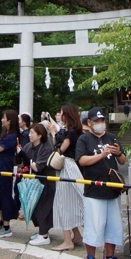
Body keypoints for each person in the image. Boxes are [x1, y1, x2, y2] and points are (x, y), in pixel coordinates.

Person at [75, 107, 127, 259]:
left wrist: (118, 153)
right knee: (93, 224)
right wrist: (102, 155)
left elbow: (123, 160)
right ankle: (90, 258)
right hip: (93, 190)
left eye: (101, 120)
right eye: (96, 121)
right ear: (89, 122)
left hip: (112, 189)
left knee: (113, 224)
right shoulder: (84, 139)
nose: (99, 123)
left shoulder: (111, 138)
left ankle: (110, 256)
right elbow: (82, 160)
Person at [51, 103, 84, 251]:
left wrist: (53, 134)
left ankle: (67, 240)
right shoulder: (78, 131)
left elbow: (60, 149)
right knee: (71, 201)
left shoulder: (70, 133)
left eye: (62, 113)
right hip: (74, 167)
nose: (60, 115)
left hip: (67, 167)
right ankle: (76, 234)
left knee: (63, 202)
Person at [20, 122, 56, 246]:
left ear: (40, 135)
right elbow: (22, 161)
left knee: (43, 208)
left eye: (32, 133)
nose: (29, 135)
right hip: (33, 182)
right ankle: (41, 231)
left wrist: (28, 162)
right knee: (34, 207)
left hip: (45, 182)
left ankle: (44, 235)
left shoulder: (46, 147)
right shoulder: (29, 146)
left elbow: (37, 167)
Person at [0, 109, 21, 238]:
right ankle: (2, 223)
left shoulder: (11, 137)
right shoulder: (5, 135)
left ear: (10, 121)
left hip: (4, 170)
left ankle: (6, 226)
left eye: (4, 118)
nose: (2, 120)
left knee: (4, 196)